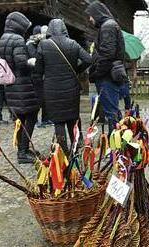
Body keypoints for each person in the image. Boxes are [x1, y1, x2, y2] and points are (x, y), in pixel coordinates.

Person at [34, 19, 91, 155]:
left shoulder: (43, 45)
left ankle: (63, 152)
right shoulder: (73, 44)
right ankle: (77, 147)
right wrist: (76, 70)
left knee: (59, 121)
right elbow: (88, 59)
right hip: (71, 87)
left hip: (52, 88)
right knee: (73, 118)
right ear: (64, 29)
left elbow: (37, 72)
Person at [0, 12, 39, 164]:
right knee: (32, 114)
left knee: (21, 118)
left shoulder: (3, 38)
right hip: (22, 84)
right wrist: (31, 62)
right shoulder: (17, 39)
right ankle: (23, 152)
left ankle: (23, 148)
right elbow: (21, 63)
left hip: (11, 85)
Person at [85, 1, 126, 135]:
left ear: (97, 14)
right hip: (107, 75)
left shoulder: (108, 27)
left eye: (91, 15)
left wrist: (96, 73)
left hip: (106, 77)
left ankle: (115, 147)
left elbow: (107, 55)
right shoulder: (109, 25)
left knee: (111, 113)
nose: (90, 19)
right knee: (113, 111)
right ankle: (117, 142)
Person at [26, 25, 52, 128]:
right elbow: (35, 56)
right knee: (37, 99)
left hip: (43, 75)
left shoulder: (40, 43)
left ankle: (46, 119)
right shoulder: (30, 44)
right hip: (34, 75)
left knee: (45, 99)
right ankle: (34, 120)